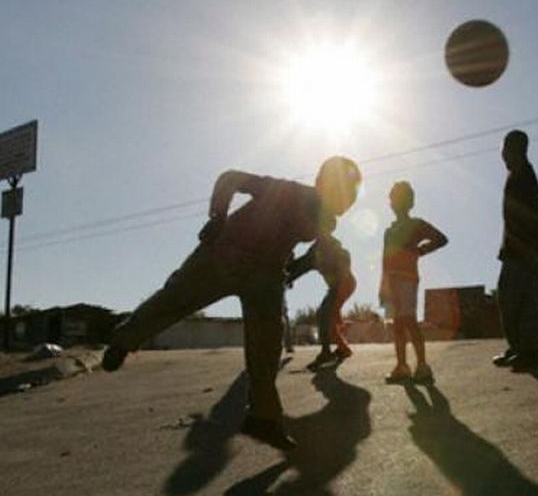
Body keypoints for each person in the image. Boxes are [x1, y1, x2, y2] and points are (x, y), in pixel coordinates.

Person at [101, 157, 362, 450]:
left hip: (266, 274)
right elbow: (231, 179)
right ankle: (124, 339)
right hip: (226, 254)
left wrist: (292, 269)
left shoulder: (326, 220)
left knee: (267, 346)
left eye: (353, 197)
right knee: (176, 299)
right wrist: (217, 218)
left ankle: (263, 418)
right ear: (322, 184)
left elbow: (309, 252)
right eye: (345, 193)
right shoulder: (289, 190)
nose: (348, 202)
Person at [492, 130, 538, 372]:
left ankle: (532, 352)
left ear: (516, 149)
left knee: (524, 300)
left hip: (526, 249)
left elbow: (527, 217)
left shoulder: (524, 175)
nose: (503, 155)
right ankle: (518, 347)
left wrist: (526, 247)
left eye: (505, 149)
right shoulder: (517, 175)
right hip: (516, 248)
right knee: (509, 298)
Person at [379, 181, 448, 384]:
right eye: (392, 198)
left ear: (409, 202)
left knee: (408, 319)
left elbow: (441, 239)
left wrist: (420, 251)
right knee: (397, 324)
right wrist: (383, 286)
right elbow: (384, 260)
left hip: (408, 278)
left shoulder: (416, 224)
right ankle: (402, 366)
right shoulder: (389, 231)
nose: (394, 202)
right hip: (390, 281)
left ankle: (423, 366)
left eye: (399, 198)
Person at [287, 227, 357, 370]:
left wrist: (335, 305)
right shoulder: (314, 252)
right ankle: (343, 349)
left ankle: (326, 353)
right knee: (328, 317)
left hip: (345, 283)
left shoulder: (336, 248)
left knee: (324, 314)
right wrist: (286, 274)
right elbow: (299, 266)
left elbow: (344, 269)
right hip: (335, 287)